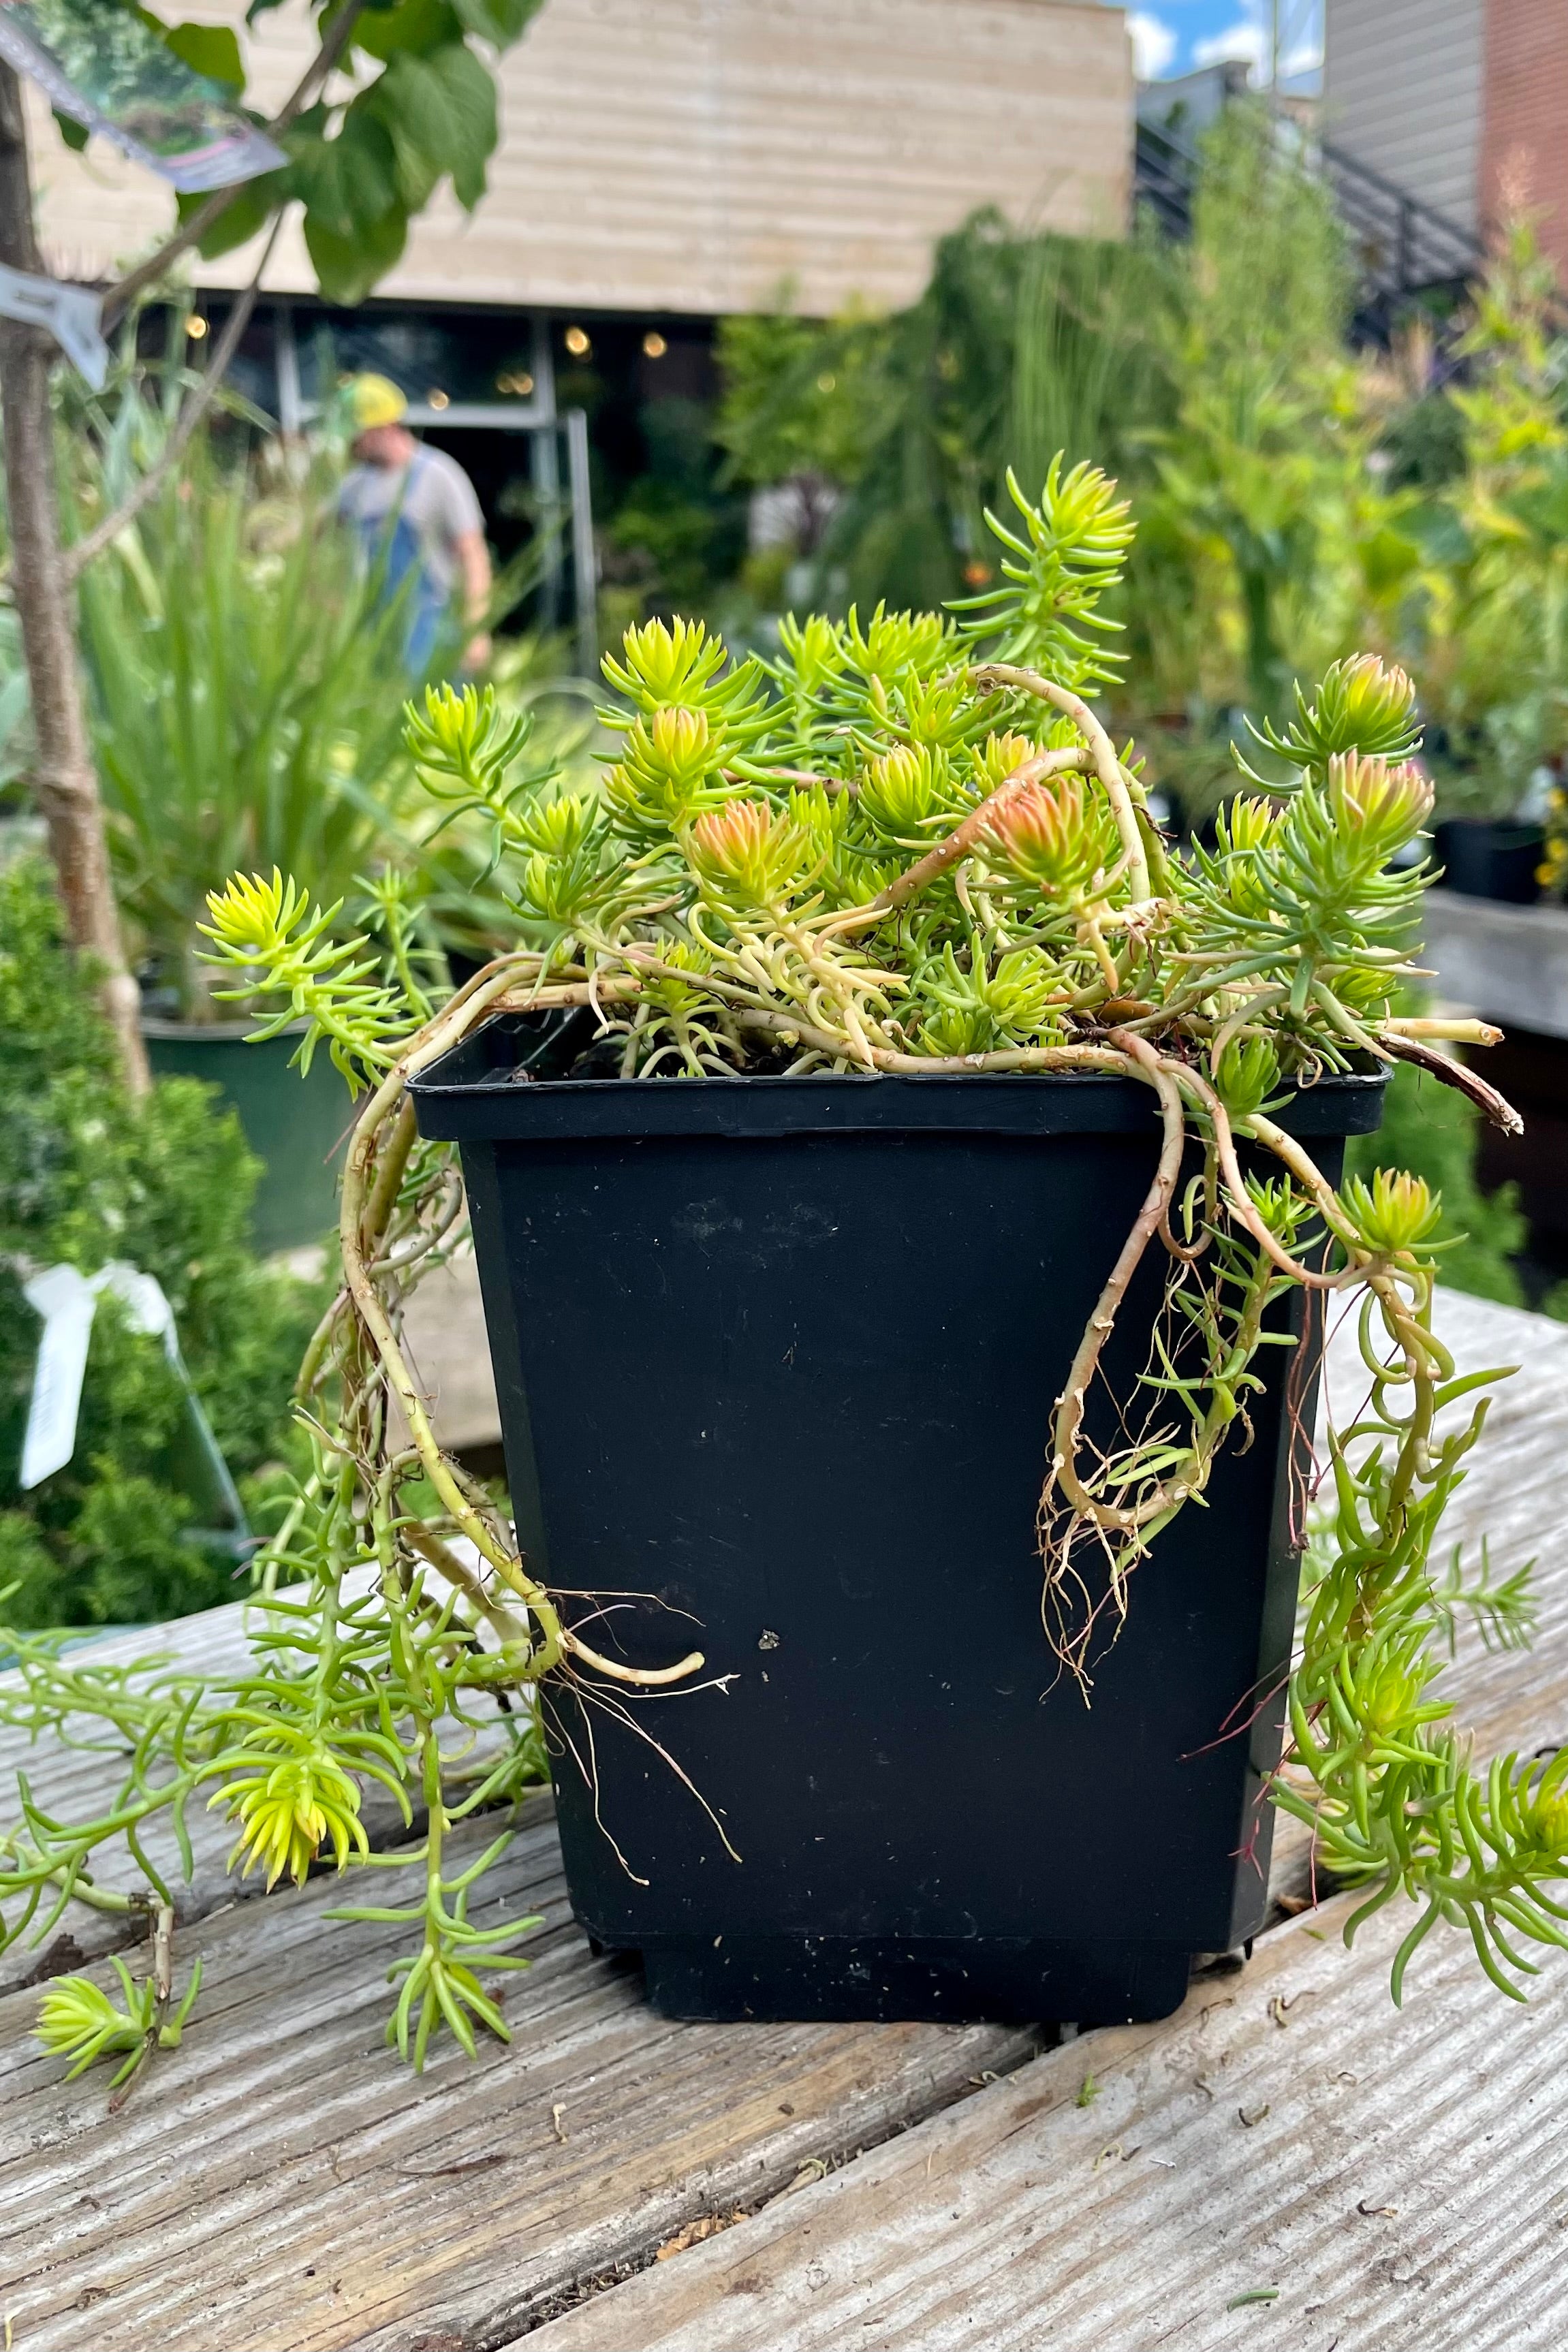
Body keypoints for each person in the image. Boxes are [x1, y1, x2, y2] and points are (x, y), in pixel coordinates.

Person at [336, 374, 492, 676]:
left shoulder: (439, 475)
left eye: (360, 434)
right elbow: (312, 530)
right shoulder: (355, 486)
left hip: (433, 631)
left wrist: (476, 630)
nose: (353, 445)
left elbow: (473, 555)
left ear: (386, 427)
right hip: (377, 632)